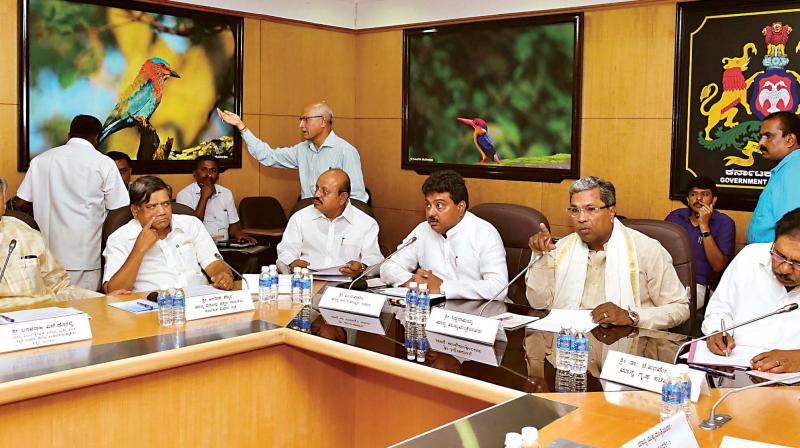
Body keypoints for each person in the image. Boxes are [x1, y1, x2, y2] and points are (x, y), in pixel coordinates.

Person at [526, 176, 689, 330]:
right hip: (570, 345)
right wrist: (539, 256)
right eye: (575, 210)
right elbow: (538, 304)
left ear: (611, 212)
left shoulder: (647, 250)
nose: (581, 218)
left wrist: (631, 316)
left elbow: (680, 308)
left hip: (625, 345)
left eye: (591, 209)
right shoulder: (561, 248)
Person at [15, 115, 129, 291]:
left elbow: (21, 202)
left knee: (51, 311)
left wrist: (46, 206)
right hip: (86, 258)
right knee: (87, 312)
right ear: (97, 138)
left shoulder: (40, 160)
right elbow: (120, 210)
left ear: (69, 135)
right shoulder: (103, 162)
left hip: (45, 257)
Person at [380, 170, 508, 300]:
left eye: (439, 205)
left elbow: (498, 288)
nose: (430, 213)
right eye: (428, 205)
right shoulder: (423, 230)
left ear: (460, 207)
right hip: (433, 312)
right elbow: (388, 267)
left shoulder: (484, 233)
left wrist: (443, 287)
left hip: (479, 314)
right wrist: (413, 282)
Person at [704, 208, 800, 373]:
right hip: (735, 370)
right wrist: (717, 331)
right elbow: (720, 307)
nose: (784, 269)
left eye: (798, 263)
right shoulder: (749, 258)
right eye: (779, 255)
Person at [103, 176, 234, 293]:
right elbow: (114, 291)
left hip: (199, 301)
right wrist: (139, 249)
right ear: (135, 211)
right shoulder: (119, 238)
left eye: (166, 204)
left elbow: (213, 263)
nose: (162, 212)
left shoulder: (191, 224)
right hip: (153, 309)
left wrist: (223, 275)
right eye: (152, 206)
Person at [216, 103, 369, 203]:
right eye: (300, 120)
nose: (301, 125)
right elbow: (268, 156)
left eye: (306, 120)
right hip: (309, 220)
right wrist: (241, 126)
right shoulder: (301, 150)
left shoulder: (346, 151)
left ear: (323, 121)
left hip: (337, 226)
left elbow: (357, 198)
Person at [0, 176, 100, 308]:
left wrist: (107, 301)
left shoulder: (26, 234)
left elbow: (60, 287)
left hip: (44, 316)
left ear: (3, 202)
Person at [277, 169, 383, 277]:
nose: (317, 194)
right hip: (306, 283)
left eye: (324, 191)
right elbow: (284, 253)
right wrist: (291, 263)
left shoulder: (366, 223)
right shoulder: (300, 217)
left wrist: (361, 267)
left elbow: (375, 260)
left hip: (346, 287)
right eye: (317, 188)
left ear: (342, 198)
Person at [665, 176, 735, 306]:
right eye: (693, 194)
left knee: (677, 307)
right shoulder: (675, 217)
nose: (698, 199)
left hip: (699, 285)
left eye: (705, 194)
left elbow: (718, 266)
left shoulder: (725, 223)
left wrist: (704, 226)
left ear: (714, 200)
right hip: (669, 280)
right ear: (687, 199)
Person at [175, 155, 255, 243]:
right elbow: (191, 228)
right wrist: (203, 198)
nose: (208, 174)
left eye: (213, 170)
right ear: (194, 174)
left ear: (218, 175)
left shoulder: (226, 193)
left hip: (225, 245)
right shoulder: (184, 195)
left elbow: (233, 226)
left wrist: (240, 235)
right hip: (199, 246)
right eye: (204, 170)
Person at [747, 111, 800, 244]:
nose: (761, 143)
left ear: (789, 140)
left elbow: (792, 229)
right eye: (761, 136)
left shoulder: (794, 170)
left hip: (774, 259)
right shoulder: (787, 167)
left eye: (768, 136)